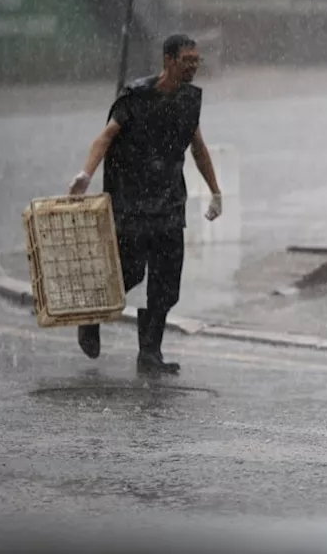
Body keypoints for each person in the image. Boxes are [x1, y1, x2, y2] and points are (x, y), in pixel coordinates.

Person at [67, 34, 222, 375]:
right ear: (168, 60)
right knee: (131, 270)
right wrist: (85, 174)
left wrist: (215, 191)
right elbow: (105, 136)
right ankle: (92, 315)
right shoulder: (135, 97)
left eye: (196, 61)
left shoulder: (188, 101)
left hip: (168, 202)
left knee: (166, 282)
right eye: (186, 61)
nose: (193, 67)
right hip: (131, 201)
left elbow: (197, 147)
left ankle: (150, 352)